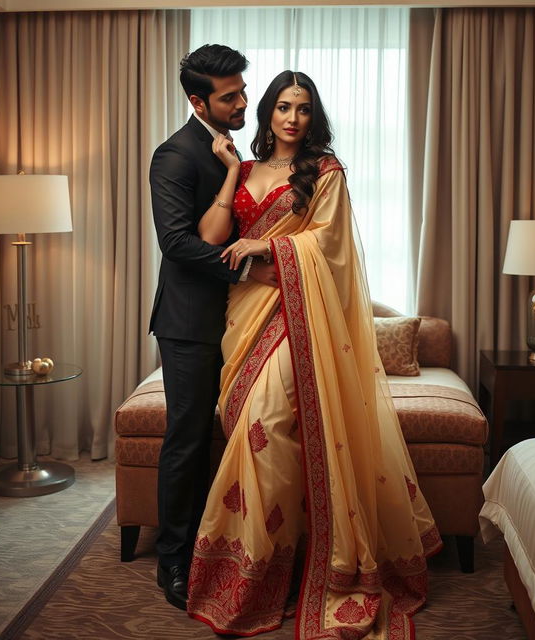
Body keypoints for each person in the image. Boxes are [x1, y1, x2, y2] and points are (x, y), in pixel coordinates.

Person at [185, 70, 442, 638]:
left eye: (302, 109)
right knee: (245, 420)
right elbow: (208, 239)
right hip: (243, 314)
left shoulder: (325, 173)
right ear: (267, 113)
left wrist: (267, 242)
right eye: (282, 107)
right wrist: (230, 174)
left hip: (295, 312)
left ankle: (270, 570)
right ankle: (269, 562)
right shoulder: (246, 170)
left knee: (266, 423)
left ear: (313, 115)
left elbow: (329, 247)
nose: (291, 119)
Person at [149, 44, 277, 611]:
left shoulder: (231, 150)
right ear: (197, 100)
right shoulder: (175, 156)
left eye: (244, 91)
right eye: (231, 97)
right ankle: (173, 560)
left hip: (235, 321)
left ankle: (219, 544)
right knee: (188, 438)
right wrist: (252, 264)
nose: (244, 102)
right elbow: (176, 244)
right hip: (190, 325)